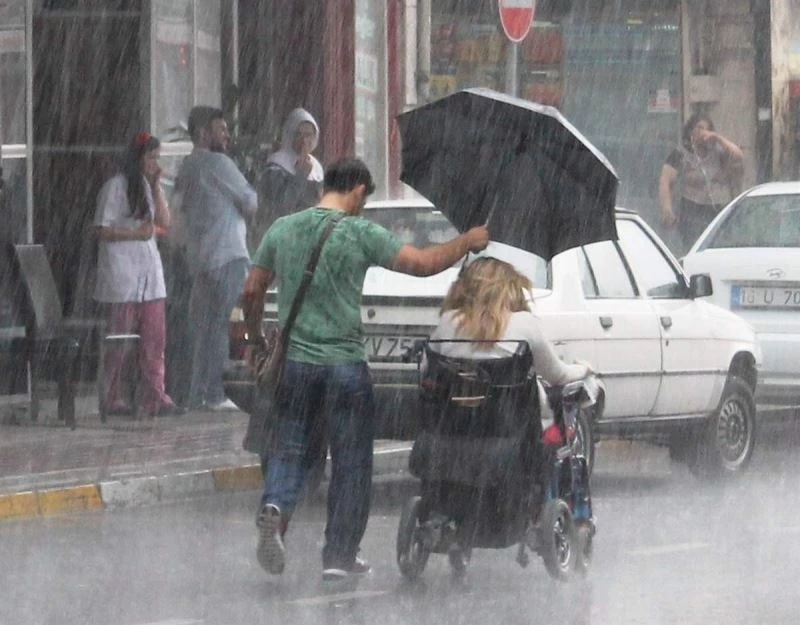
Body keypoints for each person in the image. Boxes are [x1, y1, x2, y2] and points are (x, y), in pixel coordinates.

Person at [242, 157, 489, 580]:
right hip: (345, 368)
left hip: (297, 365)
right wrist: (466, 241)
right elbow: (425, 264)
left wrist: (256, 338)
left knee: (290, 447)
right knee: (352, 462)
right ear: (357, 189)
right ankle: (339, 555)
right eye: (364, 197)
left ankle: (277, 507)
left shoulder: (283, 228)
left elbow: (252, 289)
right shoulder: (359, 232)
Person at [174, 106, 258, 411]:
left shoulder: (187, 166)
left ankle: (200, 392)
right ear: (202, 134)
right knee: (225, 324)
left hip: (200, 258)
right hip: (228, 253)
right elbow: (250, 200)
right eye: (220, 129)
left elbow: (179, 210)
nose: (226, 135)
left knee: (205, 328)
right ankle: (218, 392)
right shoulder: (219, 163)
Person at [93, 132, 181, 417]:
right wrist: (133, 233)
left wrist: (156, 187)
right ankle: (112, 395)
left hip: (149, 275)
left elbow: (165, 221)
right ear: (137, 158)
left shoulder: (149, 186)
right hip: (122, 274)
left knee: (154, 339)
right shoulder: (115, 187)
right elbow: (101, 229)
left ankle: (154, 394)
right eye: (151, 157)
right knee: (119, 341)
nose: (156, 163)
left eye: (158, 158)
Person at [430, 256, 590, 386]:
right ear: (507, 289)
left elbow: (427, 368)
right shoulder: (523, 323)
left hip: (457, 419)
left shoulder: (448, 321)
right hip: (513, 420)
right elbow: (557, 375)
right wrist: (583, 369)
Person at [659, 113, 744, 252]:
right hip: (691, 208)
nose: (702, 132)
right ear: (690, 130)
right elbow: (665, 181)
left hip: (716, 208)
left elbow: (738, 156)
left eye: (706, 128)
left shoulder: (717, 151)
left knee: (718, 248)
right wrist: (667, 210)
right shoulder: (681, 153)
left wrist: (717, 138)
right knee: (693, 247)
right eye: (699, 128)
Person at [251, 108, 324, 249]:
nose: (304, 140)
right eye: (298, 134)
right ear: (289, 135)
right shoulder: (276, 166)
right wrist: (300, 177)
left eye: (309, 134)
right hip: (286, 242)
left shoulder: (316, 166)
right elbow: (281, 208)